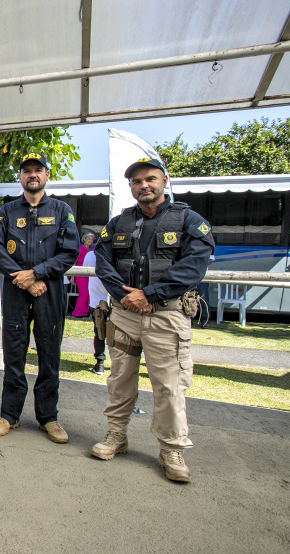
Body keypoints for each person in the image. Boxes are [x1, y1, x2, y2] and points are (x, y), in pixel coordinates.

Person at [91, 157, 214, 483]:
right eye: (137, 181)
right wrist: (126, 295)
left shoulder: (189, 221)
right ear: (130, 187)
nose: (144, 185)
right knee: (119, 380)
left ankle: (171, 449)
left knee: (170, 387)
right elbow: (103, 263)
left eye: (150, 179)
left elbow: (193, 267)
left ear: (163, 181)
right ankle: (116, 436)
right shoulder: (118, 224)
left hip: (167, 317)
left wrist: (149, 294)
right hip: (124, 316)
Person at [0, 153, 79, 443]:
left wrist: (37, 274)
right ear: (20, 177)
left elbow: (69, 252)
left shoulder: (62, 210)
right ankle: (9, 415)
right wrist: (25, 280)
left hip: (49, 291)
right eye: (26, 171)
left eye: (38, 170)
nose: (32, 175)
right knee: (14, 355)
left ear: (46, 175)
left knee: (49, 356)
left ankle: (48, 418)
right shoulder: (7, 211)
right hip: (17, 290)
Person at [82, 248, 108, 375]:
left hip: (98, 300)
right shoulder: (92, 254)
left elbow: (84, 270)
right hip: (105, 300)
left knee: (99, 332)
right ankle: (100, 363)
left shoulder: (91, 255)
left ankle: (100, 363)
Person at [71, 233, 95, 317]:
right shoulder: (80, 248)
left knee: (88, 293)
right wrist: (73, 276)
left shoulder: (92, 249)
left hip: (90, 273)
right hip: (80, 272)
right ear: (84, 239)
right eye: (89, 238)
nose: (90, 240)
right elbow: (75, 261)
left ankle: (84, 312)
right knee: (84, 293)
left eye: (92, 239)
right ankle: (76, 313)